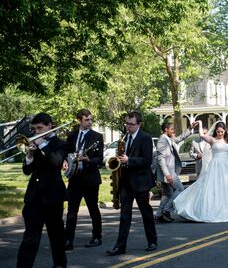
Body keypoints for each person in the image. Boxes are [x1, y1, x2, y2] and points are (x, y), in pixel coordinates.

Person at [17, 113, 67, 268]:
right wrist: (30, 154)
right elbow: (27, 170)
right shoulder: (35, 143)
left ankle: (59, 265)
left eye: (39, 128)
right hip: (34, 197)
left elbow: (56, 162)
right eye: (34, 128)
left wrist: (43, 144)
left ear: (50, 125)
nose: (36, 131)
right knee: (30, 236)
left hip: (53, 196)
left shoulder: (60, 144)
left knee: (56, 235)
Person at [106, 111, 157, 256]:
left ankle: (152, 241)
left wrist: (129, 160)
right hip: (126, 182)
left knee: (145, 213)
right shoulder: (125, 138)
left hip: (140, 182)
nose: (128, 127)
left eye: (131, 124)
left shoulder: (145, 138)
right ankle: (120, 246)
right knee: (124, 216)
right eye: (126, 124)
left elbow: (147, 160)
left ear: (139, 124)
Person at [174, 120, 228, 222]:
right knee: (213, 187)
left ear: (225, 131)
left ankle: (226, 210)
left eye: (222, 131)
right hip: (215, 165)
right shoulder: (212, 140)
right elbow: (202, 135)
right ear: (216, 131)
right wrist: (200, 123)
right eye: (218, 131)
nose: (220, 133)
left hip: (226, 166)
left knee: (227, 188)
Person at [64, 109, 104, 251]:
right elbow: (66, 152)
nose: (90, 122)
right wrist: (65, 162)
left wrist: (89, 160)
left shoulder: (97, 136)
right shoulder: (72, 136)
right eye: (87, 120)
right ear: (79, 120)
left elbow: (100, 159)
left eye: (91, 119)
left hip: (90, 178)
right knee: (71, 211)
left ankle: (97, 237)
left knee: (93, 209)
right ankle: (68, 240)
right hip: (75, 178)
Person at [155, 121, 197, 222]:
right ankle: (166, 210)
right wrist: (167, 175)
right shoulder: (162, 141)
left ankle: (159, 215)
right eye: (172, 129)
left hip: (169, 172)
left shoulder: (169, 139)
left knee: (167, 194)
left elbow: (180, 138)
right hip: (168, 173)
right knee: (180, 189)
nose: (173, 131)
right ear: (166, 130)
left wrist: (190, 128)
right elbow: (161, 160)